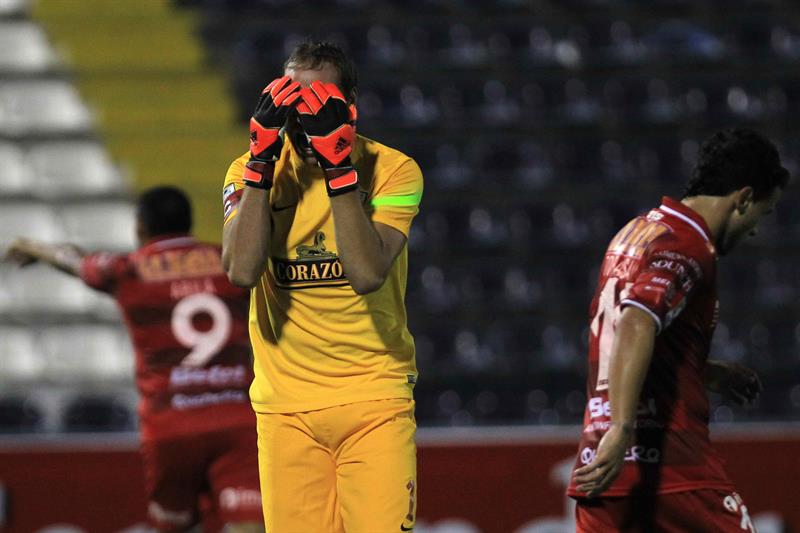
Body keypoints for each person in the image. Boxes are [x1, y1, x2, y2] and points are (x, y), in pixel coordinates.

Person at [222, 41, 423, 532]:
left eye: (320, 103)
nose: (306, 117)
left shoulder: (395, 169)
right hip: (284, 408)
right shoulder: (249, 172)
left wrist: (339, 169)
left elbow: (367, 273)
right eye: (296, 103)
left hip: (374, 399)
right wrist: (259, 167)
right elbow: (242, 272)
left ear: (349, 103)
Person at [5, 186, 264, 533]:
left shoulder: (128, 270)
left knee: (176, 526)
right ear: (189, 222)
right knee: (249, 523)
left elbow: (77, 261)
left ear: (141, 226)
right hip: (236, 415)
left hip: (171, 423)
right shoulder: (229, 264)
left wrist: (35, 248)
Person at [567, 128, 789, 532]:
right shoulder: (687, 244)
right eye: (764, 212)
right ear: (742, 198)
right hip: (671, 468)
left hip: (600, 468)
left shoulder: (634, 234)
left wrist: (702, 369)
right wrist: (623, 427)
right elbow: (636, 321)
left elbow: (625, 334)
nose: (756, 229)